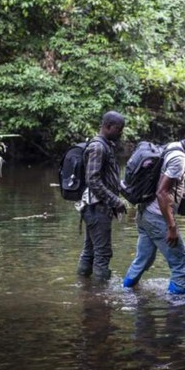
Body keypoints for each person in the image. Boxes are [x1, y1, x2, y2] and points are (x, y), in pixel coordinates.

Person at [122, 125, 185, 295]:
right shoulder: (180, 158)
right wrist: (172, 227)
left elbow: (160, 183)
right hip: (157, 217)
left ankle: (124, 291)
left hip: (144, 213)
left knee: (142, 260)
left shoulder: (172, 146)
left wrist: (182, 194)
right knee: (181, 263)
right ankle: (177, 309)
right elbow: (162, 192)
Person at [76, 111, 126, 280]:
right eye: (119, 129)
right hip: (97, 209)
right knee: (103, 254)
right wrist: (115, 201)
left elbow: (108, 178)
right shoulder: (98, 147)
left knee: (90, 252)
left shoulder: (104, 145)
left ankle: (85, 290)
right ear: (107, 126)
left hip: (94, 207)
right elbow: (93, 180)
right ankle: (100, 299)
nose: (121, 133)